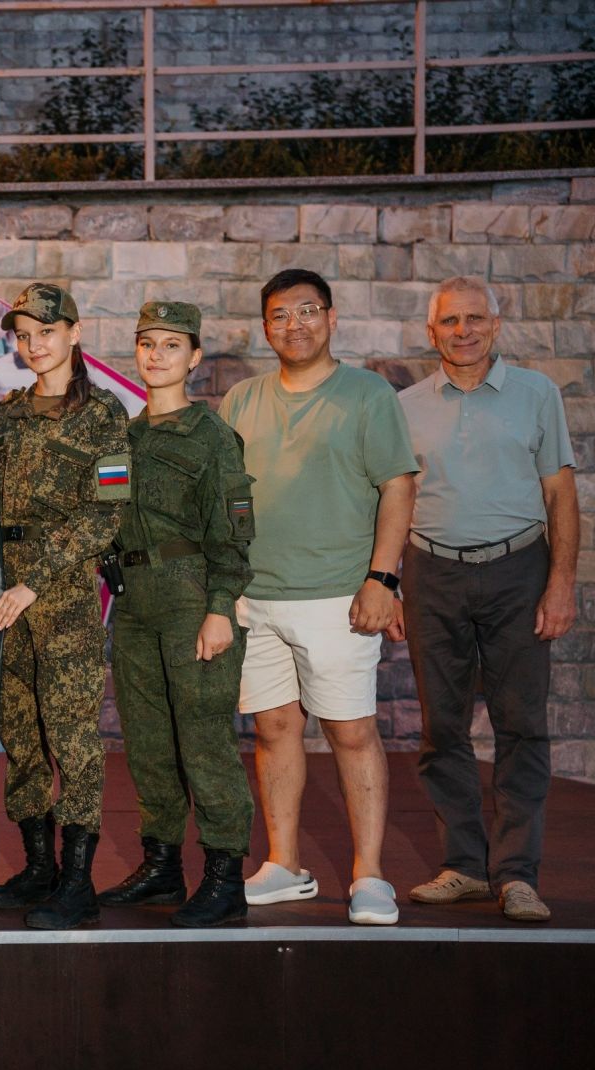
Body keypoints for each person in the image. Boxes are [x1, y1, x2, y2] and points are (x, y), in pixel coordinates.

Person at [220, 268, 418, 927]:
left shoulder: (367, 395)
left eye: (307, 311)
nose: (294, 324)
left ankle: (370, 875)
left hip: (339, 598)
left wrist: (382, 579)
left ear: (331, 319)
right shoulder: (241, 400)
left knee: (352, 732)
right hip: (257, 597)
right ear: (265, 327)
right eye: (280, 314)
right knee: (274, 730)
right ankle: (284, 865)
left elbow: (397, 487)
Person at [398, 276, 577, 922]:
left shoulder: (537, 394)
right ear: (432, 332)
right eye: (450, 321)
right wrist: (386, 581)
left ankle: (517, 875)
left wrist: (561, 583)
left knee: (521, 725)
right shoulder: (406, 406)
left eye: (475, 319)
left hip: (518, 572)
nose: (464, 331)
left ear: (496, 326)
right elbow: (394, 499)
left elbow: (560, 495)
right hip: (432, 574)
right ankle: (465, 868)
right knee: (441, 728)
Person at [0, 283, 129, 931]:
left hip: (60, 595)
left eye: (47, 332)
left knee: (73, 737)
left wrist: (34, 580)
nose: (34, 345)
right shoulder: (8, 413)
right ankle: (39, 867)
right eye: (24, 335)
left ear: (74, 332)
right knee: (22, 734)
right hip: (3, 593)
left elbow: (106, 514)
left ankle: (78, 882)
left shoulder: (104, 414)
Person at [101, 302, 256, 928]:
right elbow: (107, 513)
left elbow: (235, 533)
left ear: (194, 358)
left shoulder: (212, 436)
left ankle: (225, 877)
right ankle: (162, 865)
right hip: (134, 601)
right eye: (147, 343)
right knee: (147, 742)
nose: (157, 355)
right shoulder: (122, 436)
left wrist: (220, 608)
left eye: (172, 345)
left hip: (191, 595)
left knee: (205, 740)